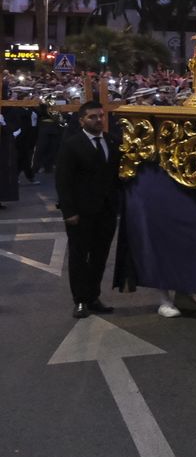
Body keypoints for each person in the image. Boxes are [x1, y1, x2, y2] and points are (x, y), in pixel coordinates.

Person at [55, 100, 120, 318]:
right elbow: (63, 181)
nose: (98, 120)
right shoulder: (72, 144)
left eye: (101, 116)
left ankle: (93, 297)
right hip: (81, 213)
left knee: (100, 257)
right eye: (93, 117)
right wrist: (69, 212)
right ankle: (80, 300)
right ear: (82, 120)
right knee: (79, 257)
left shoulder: (111, 141)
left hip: (106, 211)